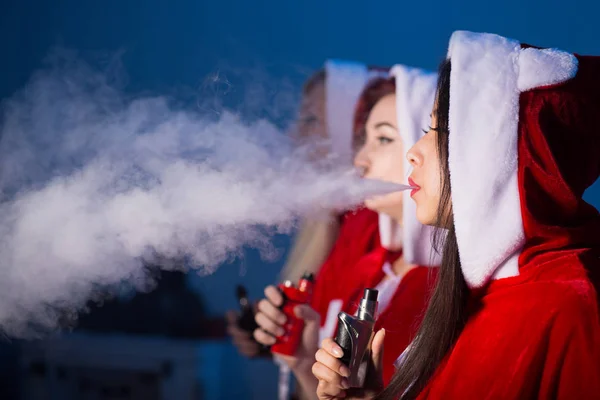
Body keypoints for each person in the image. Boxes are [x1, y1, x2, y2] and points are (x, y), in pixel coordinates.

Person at [313, 30, 600, 400]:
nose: (413, 153)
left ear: (500, 149)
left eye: (441, 129)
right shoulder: (482, 291)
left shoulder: (571, 305)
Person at [255, 65, 440, 398]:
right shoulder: (376, 267)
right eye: (363, 139)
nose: (359, 160)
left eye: (383, 139)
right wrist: (302, 359)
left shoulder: (444, 289)